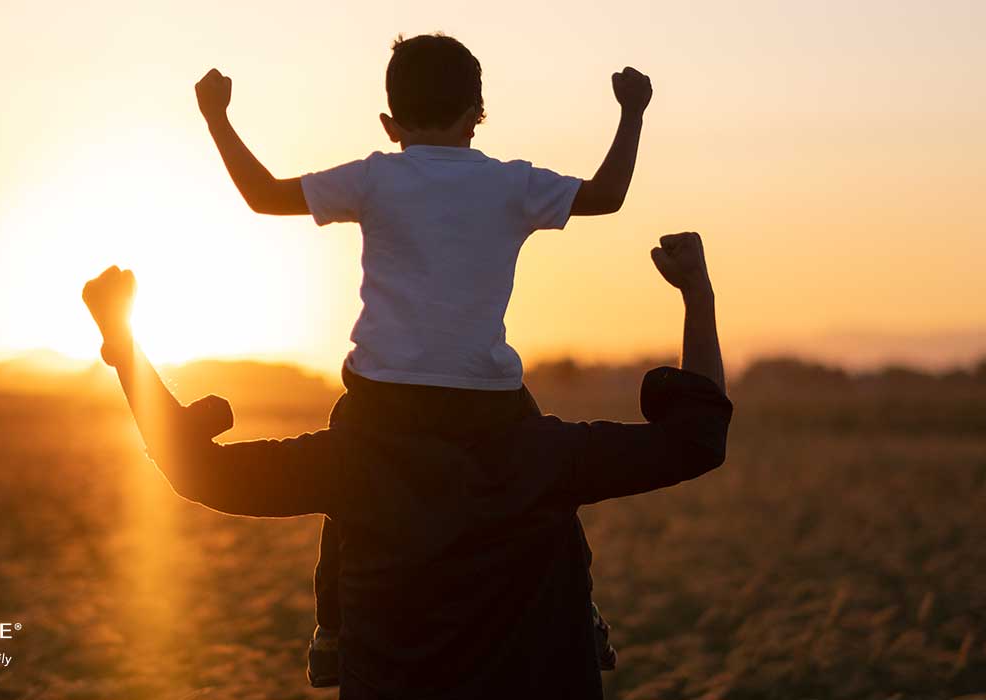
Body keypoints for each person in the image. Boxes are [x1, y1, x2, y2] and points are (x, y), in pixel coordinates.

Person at [84, 232, 732, 698]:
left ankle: (331, 635)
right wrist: (696, 294)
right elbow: (696, 438)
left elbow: (199, 471)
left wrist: (125, 342)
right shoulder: (547, 453)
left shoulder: (352, 458)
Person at [194, 33, 653, 684]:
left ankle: (332, 628)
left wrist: (218, 117)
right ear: (478, 116)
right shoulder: (510, 182)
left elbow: (265, 194)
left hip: (386, 395)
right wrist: (632, 111)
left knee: (344, 483)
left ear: (389, 123)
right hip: (487, 398)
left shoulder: (376, 176)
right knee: (554, 484)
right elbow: (607, 194)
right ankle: (584, 612)